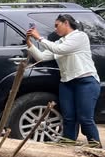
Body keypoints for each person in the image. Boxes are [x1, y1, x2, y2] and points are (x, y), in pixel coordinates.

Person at [27, 14, 101, 148]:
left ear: (66, 23)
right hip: (67, 83)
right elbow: (42, 57)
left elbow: (61, 50)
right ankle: (69, 143)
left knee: (85, 118)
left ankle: (95, 146)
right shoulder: (59, 42)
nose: (55, 29)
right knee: (69, 117)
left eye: (57, 25)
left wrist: (39, 37)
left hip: (86, 81)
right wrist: (29, 42)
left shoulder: (80, 36)